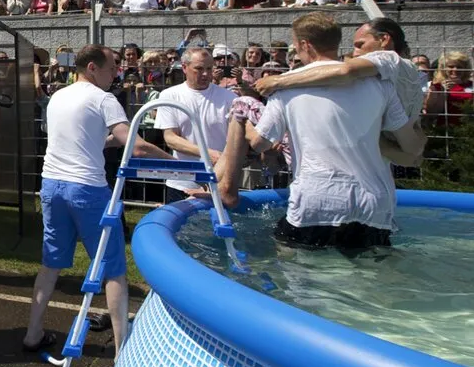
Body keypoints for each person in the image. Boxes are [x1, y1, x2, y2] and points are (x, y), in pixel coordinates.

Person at [23, 45, 168, 356]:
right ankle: (121, 349)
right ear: (92, 68)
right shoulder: (104, 99)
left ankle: (33, 333)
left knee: (50, 265)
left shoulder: (59, 96)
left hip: (52, 186)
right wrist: (176, 160)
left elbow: (79, 139)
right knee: (113, 268)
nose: (115, 72)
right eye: (111, 67)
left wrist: (107, 142)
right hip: (87, 189)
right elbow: (137, 147)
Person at [237, 13, 426, 250]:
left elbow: (260, 143)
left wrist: (241, 113)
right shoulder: (381, 83)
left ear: (305, 45)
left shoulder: (283, 85)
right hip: (374, 205)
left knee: (294, 268)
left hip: (316, 200)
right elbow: (411, 144)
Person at [252, 18, 424, 170]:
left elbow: (346, 71)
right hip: (401, 140)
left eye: (360, 44)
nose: (356, 52)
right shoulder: (411, 70)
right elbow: (414, 149)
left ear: (384, 40)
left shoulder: (388, 58)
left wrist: (279, 81)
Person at [153, 47, 236, 202]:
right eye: (199, 68)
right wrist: (207, 153)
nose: (205, 74)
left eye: (209, 68)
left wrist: (222, 160)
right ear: (184, 67)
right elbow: (170, 138)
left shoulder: (229, 98)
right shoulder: (169, 96)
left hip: (218, 181)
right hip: (181, 182)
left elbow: (234, 140)